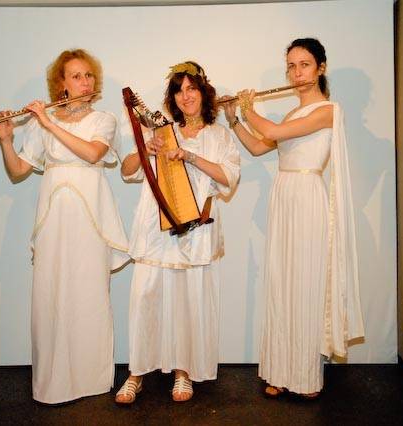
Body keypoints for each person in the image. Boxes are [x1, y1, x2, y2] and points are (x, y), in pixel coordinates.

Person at [221, 38, 364, 398]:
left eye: (304, 65)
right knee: (283, 283)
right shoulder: (291, 113)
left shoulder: (329, 110)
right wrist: (235, 118)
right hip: (284, 196)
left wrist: (249, 106)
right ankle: (281, 372)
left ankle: (305, 378)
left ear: (321, 68)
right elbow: (258, 146)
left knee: (305, 283)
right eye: (291, 66)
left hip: (307, 196)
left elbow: (270, 132)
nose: (296, 73)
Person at [0, 49, 128, 404]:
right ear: (62, 84)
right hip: (53, 218)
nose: (85, 81)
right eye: (76, 76)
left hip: (90, 218)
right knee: (51, 292)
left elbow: (93, 154)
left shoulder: (105, 119)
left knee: (89, 291)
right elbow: (19, 170)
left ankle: (91, 379)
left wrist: (48, 122)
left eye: (88, 75)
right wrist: (7, 140)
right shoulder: (43, 122)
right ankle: (53, 381)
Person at [115, 61, 240, 404]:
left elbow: (229, 178)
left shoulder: (218, 135)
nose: (186, 96)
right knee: (145, 298)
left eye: (192, 88)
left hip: (196, 231)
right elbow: (126, 171)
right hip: (156, 230)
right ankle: (137, 372)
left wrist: (190, 156)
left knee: (188, 302)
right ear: (173, 98)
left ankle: (183, 372)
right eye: (179, 90)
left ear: (203, 92)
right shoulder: (162, 132)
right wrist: (144, 150)